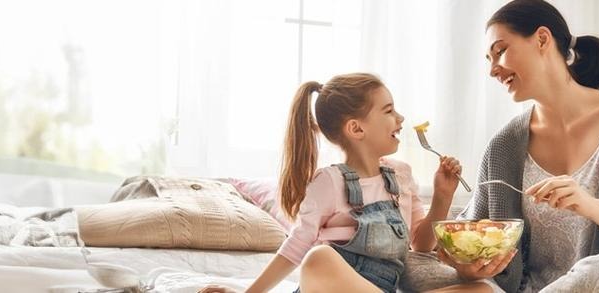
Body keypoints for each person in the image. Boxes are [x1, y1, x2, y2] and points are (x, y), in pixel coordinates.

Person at [406, 0, 599, 292]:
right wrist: (467, 265)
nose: (493, 70)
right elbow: (471, 236)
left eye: (500, 51)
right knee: (409, 265)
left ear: (542, 39)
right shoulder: (504, 145)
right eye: (489, 59)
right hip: (526, 287)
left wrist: (590, 205)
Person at [201, 72, 476, 293]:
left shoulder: (402, 175)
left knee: (483, 290)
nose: (400, 118)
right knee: (319, 258)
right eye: (389, 110)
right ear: (357, 128)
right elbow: (294, 249)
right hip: (328, 286)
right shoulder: (329, 182)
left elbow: (422, 244)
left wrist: (442, 196)